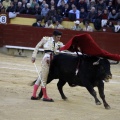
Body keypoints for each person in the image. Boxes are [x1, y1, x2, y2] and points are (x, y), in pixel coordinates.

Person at [31, 30, 64, 101]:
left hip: (52, 61)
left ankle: (33, 95)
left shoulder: (58, 43)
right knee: (44, 79)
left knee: (40, 77)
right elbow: (37, 46)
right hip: (46, 60)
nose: (59, 39)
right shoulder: (46, 39)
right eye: (58, 37)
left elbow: (65, 48)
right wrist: (34, 56)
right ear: (54, 36)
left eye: (60, 37)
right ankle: (45, 96)